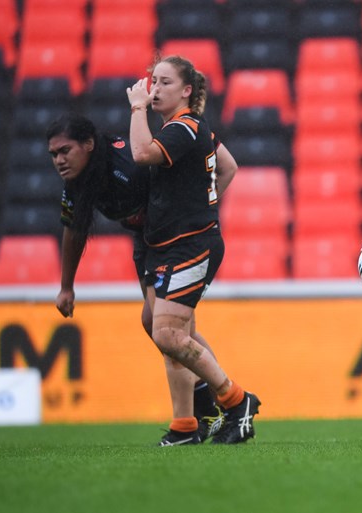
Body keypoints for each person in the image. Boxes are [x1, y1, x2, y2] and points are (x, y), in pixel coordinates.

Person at [48, 112, 239, 443]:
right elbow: (74, 230)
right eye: (54, 154)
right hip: (148, 242)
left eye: (65, 150)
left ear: (89, 145)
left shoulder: (129, 163)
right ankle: (211, 407)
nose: (59, 160)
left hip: (174, 241)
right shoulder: (77, 184)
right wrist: (67, 286)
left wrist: (197, 217)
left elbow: (205, 172)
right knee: (159, 326)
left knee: (168, 331)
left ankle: (214, 410)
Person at [127, 54, 261, 446]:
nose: (154, 90)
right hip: (168, 244)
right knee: (159, 326)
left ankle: (236, 401)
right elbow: (228, 167)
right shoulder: (187, 128)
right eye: (153, 82)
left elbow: (140, 153)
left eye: (164, 83)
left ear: (186, 91)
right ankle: (190, 422)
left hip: (190, 244)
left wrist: (137, 107)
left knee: (168, 334)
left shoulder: (184, 128)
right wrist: (205, 201)